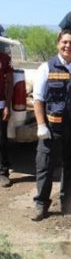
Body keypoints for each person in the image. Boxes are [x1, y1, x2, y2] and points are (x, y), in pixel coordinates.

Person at [31, 29, 71, 221]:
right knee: (46, 166)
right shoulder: (46, 68)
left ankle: (68, 202)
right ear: (58, 44)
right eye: (64, 42)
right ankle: (41, 203)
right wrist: (41, 125)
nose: (68, 46)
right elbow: (38, 99)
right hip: (52, 128)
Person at [0, 51, 13, 187]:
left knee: (1, 140)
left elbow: (10, 83)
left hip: (1, 105)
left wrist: (7, 106)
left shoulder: (4, 58)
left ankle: (3, 172)